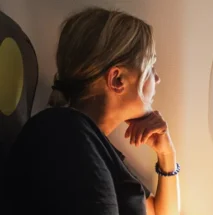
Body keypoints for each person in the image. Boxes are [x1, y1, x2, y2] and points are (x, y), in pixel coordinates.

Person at [4, 7, 180, 215]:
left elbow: (161, 213)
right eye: (150, 67)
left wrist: (166, 154)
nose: (157, 79)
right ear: (117, 79)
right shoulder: (68, 136)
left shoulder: (91, 143)